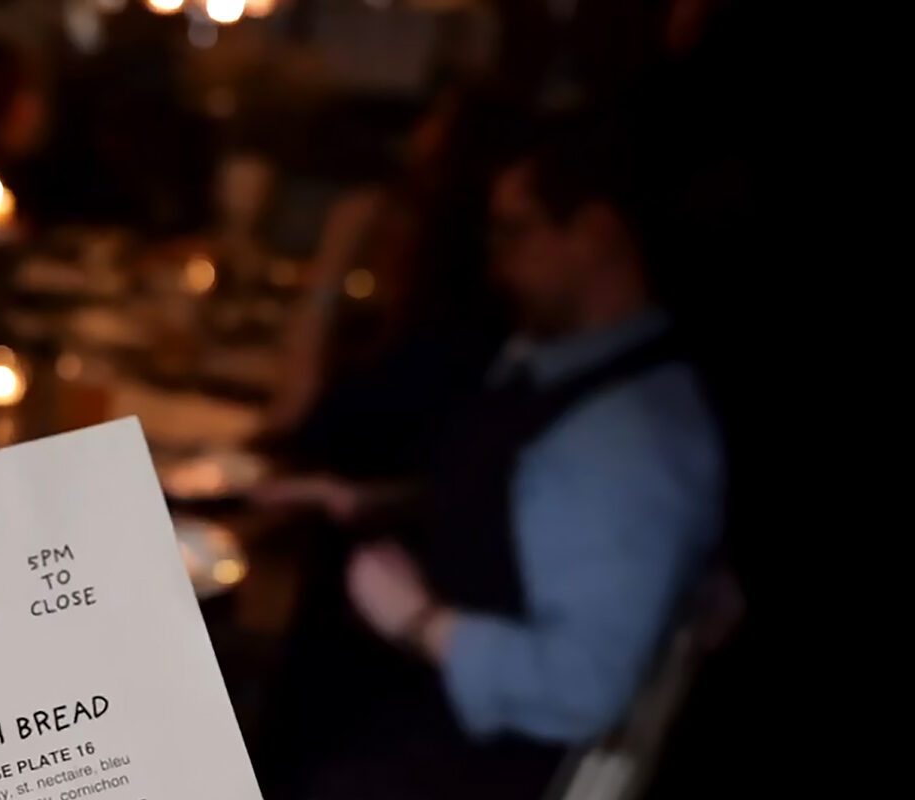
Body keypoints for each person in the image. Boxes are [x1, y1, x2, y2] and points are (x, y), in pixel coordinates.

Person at [284, 111, 725, 800]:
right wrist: (374, 498)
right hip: (427, 722)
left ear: (594, 234)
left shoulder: (624, 444)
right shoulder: (572, 362)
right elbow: (524, 506)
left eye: (514, 231)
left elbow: (584, 688)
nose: (494, 260)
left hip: (482, 768)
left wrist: (419, 619)